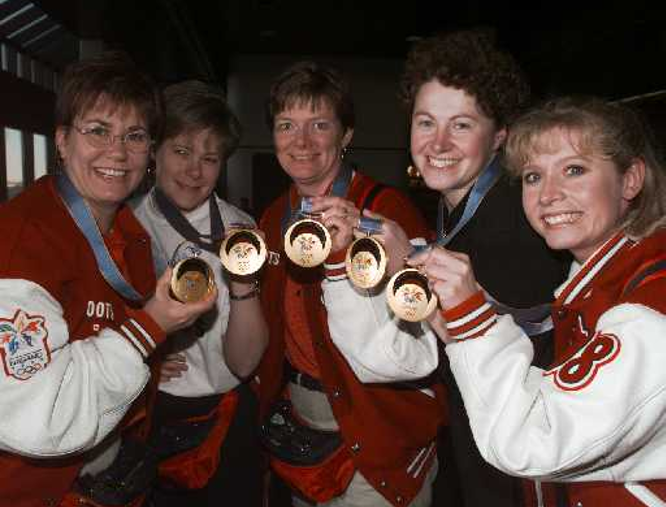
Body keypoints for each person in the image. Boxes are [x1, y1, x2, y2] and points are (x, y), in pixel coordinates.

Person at [410, 96, 666, 505]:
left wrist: (472, 320)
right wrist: (461, 332)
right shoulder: (597, 282)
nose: (548, 195)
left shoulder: (651, 305)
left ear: (630, 179)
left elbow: (534, 438)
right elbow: (559, 400)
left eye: (574, 170)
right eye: (533, 177)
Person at [0, 53, 216, 506]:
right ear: (62, 141)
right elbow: (40, 415)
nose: (117, 152)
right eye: (98, 130)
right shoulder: (20, 240)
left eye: (134, 136)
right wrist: (149, 327)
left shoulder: (129, 234)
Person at [385, 29, 568, 506]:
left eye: (461, 125)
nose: (438, 142)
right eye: (426, 123)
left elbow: (527, 349)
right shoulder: (459, 209)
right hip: (480, 436)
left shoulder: (518, 218)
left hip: (524, 454)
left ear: (500, 136)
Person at [255, 60, 446, 507]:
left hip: (379, 422)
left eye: (319, 124)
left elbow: (425, 334)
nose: (301, 142)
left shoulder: (386, 210)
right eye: (287, 125)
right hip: (305, 421)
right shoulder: (271, 217)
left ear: (346, 135)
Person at [133, 80, 268, 506]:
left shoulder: (241, 229)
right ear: (155, 151)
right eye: (182, 151)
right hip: (152, 414)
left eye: (210, 158)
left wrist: (244, 285)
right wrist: (144, 354)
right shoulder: (126, 226)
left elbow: (245, 363)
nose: (195, 170)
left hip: (227, 415)